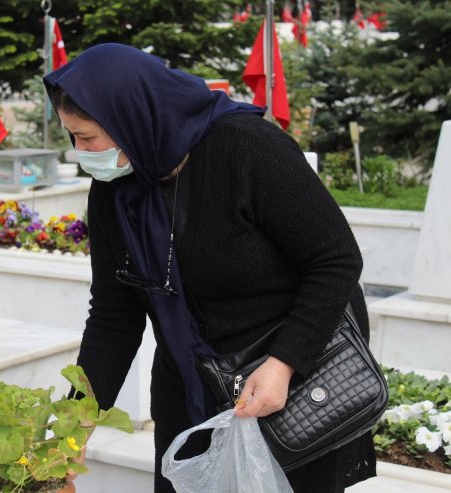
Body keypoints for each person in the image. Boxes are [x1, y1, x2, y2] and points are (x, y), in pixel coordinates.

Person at [44, 43, 375, 493]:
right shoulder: (114, 189)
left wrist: (285, 364)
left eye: (87, 138)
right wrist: (75, 423)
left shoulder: (249, 149)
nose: (80, 152)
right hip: (190, 392)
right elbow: (112, 316)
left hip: (288, 387)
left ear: (133, 120)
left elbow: (336, 259)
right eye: (72, 137)